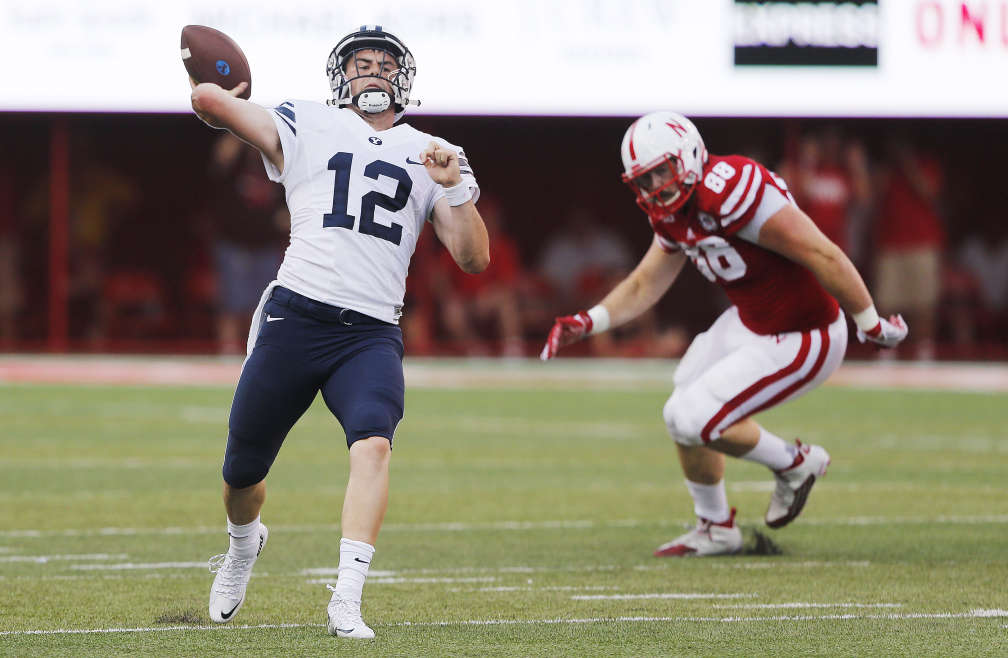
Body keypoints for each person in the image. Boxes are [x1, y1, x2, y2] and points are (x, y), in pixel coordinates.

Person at [188, 25, 489, 638]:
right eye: (360, 63)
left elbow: (472, 257)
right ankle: (243, 545)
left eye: (383, 63)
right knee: (241, 469)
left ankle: (346, 599)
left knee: (373, 444)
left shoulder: (433, 151)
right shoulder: (307, 120)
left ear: (402, 77)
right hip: (296, 316)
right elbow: (208, 103)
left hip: (370, 332)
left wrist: (454, 185)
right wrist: (227, 90)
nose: (371, 71)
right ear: (341, 76)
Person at [541, 112, 907, 557]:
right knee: (679, 411)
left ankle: (796, 464)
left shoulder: (731, 189)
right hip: (751, 322)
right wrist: (590, 320)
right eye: (645, 178)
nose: (655, 185)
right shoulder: (672, 211)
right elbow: (644, 283)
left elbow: (820, 251)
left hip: (804, 333)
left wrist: (868, 321)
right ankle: (715, 527)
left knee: (697, 417)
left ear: (690, 156)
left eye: (663, 170)